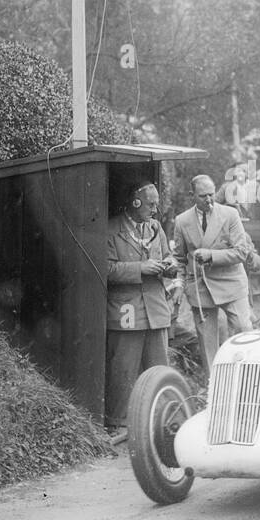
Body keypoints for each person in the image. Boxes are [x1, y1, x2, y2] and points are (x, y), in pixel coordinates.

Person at [105, 182, 177, 439]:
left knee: (159, 367)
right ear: (135, 202)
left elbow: (170, 256)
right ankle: (118, 424)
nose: (155, 210)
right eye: (150, 204)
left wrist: (169, 266)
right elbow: (105, 269)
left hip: (156, 308)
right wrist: (140, 268)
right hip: (127, 309)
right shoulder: (111, 229)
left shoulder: (156, 228)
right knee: (123, 368)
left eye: (156, 204)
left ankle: (163, 420)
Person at [172, 175, 255, 369]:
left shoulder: (230, 215)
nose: (209, 200)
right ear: (192, 195)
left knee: (244, 330)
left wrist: (211, 255)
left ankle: (248, 374)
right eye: (203, 196)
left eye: (211, 194)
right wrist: (179, 284)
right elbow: (179, 258)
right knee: (207, 341)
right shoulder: (182, 221)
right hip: (201, 289)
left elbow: (241, 252)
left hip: (231, 282)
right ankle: (213, 385)